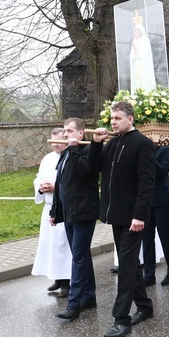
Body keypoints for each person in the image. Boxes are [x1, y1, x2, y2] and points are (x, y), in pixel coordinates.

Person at [89, 101, 155, 337]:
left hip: (132, 217)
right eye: (111, 118)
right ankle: (145, 306)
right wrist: (96, 145)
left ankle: (121, 319)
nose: (113, 122)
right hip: (115, 214)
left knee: (126, 265)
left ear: (131, 119)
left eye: (117, 118)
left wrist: (139, 215)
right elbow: (94, 168)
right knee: (130, 262)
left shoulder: (143, 144)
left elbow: (147, 183)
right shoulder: (113, 142)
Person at [51, 118, 100, 320]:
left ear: (81, 133)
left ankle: (74, 303)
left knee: (78, 258)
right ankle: (88, 297)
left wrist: (72, 149)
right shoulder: (64, 154)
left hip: (84, 213)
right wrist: (55, 211)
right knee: (81, 257)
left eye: (70, 130)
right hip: (70, 212)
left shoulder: (89, 150)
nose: (65, 134)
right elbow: (61, 183)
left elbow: (84, 171)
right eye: (64, 130)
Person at [32, 128, 72, 298]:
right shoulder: (47, 159)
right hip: (49, 208)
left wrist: (56, 188)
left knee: (63, 247)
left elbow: (73, 182)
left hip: (64, 209)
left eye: (59, 141)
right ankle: (57, 277)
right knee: (51, 246)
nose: (56, 144)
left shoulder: (70, 157)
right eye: (53, 141)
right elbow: (38, 177)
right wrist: (40, 187)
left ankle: (67, 283)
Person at [142, 146, 169, 286]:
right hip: (146, 200)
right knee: (147, 238)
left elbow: (162, 171)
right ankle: (149, 274)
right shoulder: (141, 148)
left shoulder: (165, 150)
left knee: (165, 235)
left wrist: (149, 155)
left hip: (162, 200)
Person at [129, 15, 156, 93]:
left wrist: (137, 49)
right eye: (135, 30)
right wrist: (134, 51)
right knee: (137, 82)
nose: (136, 32)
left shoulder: (145, 40)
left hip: (143, 66)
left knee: (143, 81)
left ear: (141, 31)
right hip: (136, 65)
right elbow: (131, 56)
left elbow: (145, 55)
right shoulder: (134, 41)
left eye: (138, 30)